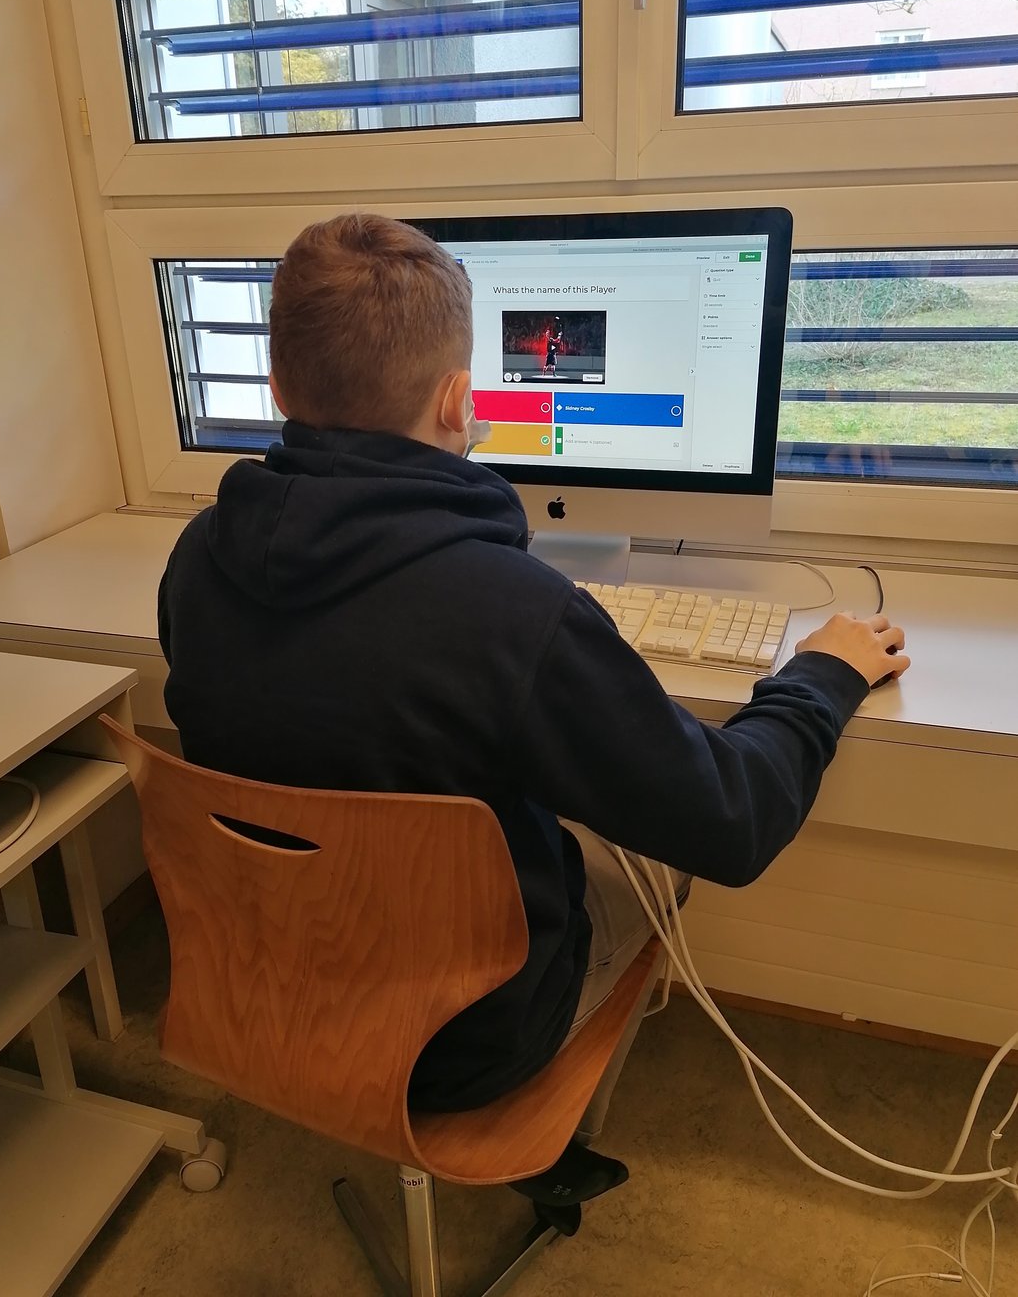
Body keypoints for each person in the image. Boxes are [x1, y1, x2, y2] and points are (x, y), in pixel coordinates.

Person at [158, 213, 909, 1214]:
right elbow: (734, 822)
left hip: (261, 989)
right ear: (457, 400)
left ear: (280, 389)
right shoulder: (516, 615)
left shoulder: (196, 559)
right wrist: (821, 675)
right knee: (654, 851)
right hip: (464, 1048)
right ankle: (543, 1129)